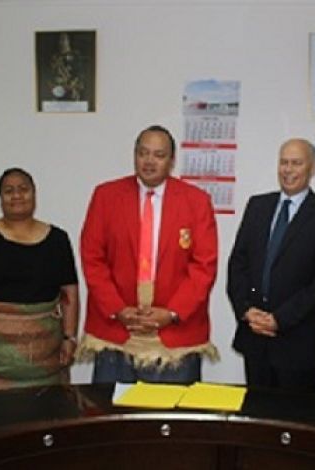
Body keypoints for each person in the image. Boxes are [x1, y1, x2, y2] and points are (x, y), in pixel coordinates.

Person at [78, 125, 218, 384]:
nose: (149, 161)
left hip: (176, 335)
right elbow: (92, 257)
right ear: (134, 155)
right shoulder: (106, 196)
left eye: (159, 155)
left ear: (172, 161)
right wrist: (117, 309)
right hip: (116, 330)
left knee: (171, 420)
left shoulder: (196, 201)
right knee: (112, 417)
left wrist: (172, 313)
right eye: (143, 153)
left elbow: (204, 266)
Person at [227, 138, 315, 392]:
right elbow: (238, 264)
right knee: (257, 422)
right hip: (255, 338)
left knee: (296, 423)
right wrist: (247, 310)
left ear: (312, 168)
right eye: (283, 162)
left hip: (299, 343)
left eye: (296, 163)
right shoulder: (258, 206)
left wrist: (280, 319)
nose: (288, 169)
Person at [0, 168, 79, 393]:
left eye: (23, 189)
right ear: (0, 198)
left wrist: (69, 337)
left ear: (34, 194)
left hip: (44, 361)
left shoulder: (58, 239)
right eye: (9, 191)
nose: (17, 196)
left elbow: (69, 292)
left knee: (43, 419)